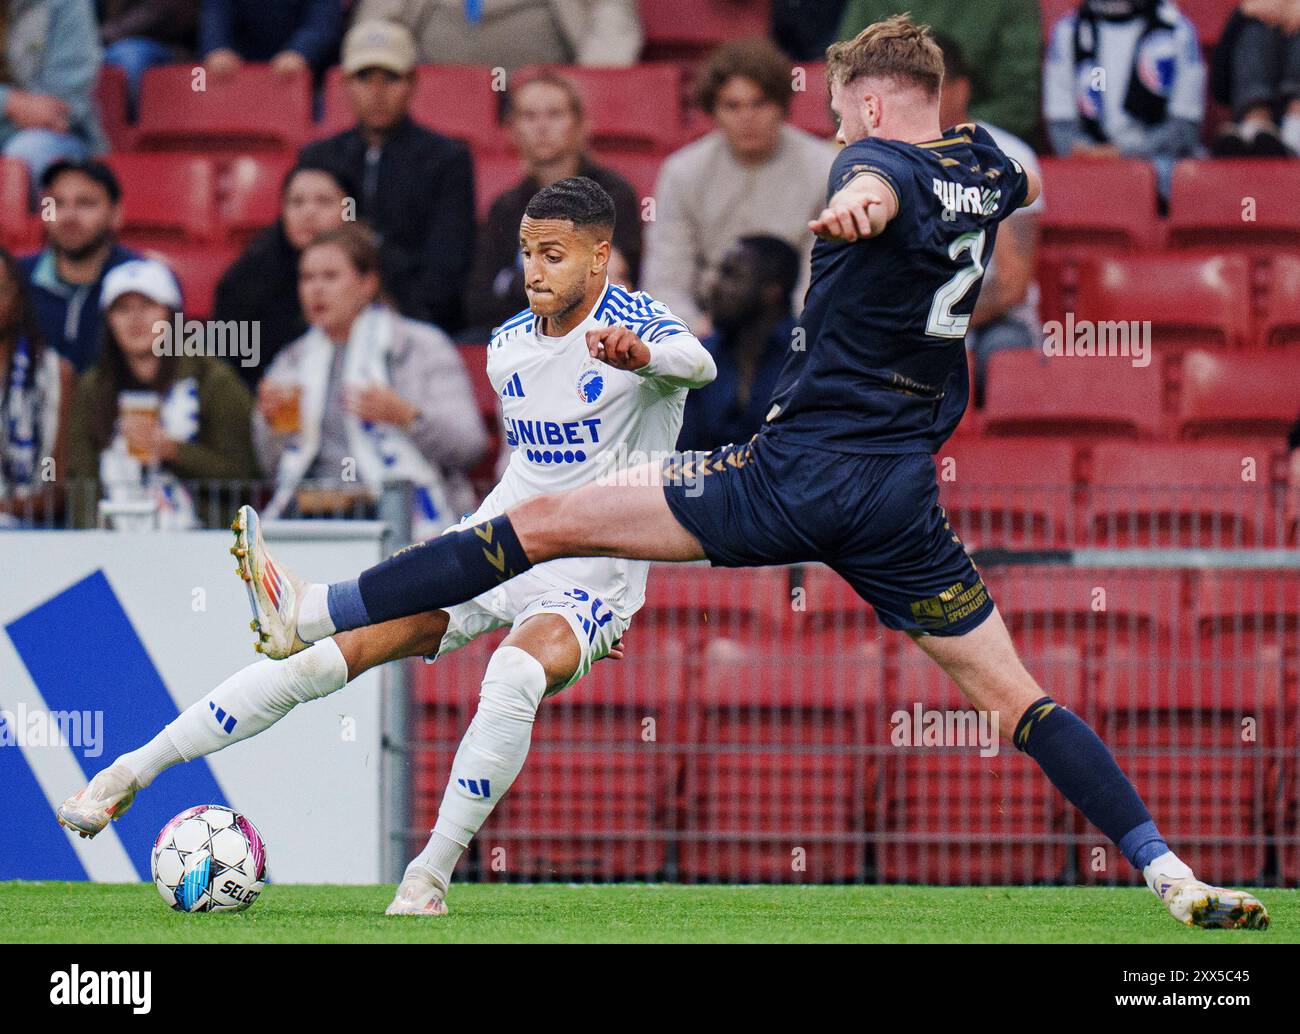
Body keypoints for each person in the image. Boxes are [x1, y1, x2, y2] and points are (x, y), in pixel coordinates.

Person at [214, 17, 1265, 930]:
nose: (837, 131)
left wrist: (856, 205)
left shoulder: (876, 171)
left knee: (539, 519)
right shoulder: (984, 168)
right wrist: (952, 160)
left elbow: (869, 185)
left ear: (865, 101)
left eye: (843, 111)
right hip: (901, 500)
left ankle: (313, 610)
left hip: (791, 473)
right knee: (1016, 700)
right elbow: (1026, 172)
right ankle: (1167, 873)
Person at [56, 178, 717, 917]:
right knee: (317, 662)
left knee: (511, 677)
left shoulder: (634, 320)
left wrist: (642, 358)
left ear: (599, 259)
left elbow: (700, 364)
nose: (534, 270)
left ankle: (427, 878)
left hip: (590, 575)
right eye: (527, 252)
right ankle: (124, 774)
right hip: (499, 543)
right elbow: (527, 468)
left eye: (553, 255)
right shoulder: (507, 349)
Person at [252, 224, 488, 539]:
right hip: (311, 516)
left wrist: (406, 416)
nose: (316, 289)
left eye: (330, 276)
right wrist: (271, 426)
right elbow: (272, 468)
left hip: (399, 515)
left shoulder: (420, 346)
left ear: (368, 284)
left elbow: (470, 445)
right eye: (307, 277)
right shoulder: (291, 360)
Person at [643, 37, 837, 336]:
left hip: (791, 329)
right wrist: (692, 332)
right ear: (714, 110)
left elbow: (819, 280)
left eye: (760, 103)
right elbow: (665, 278)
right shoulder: (683, 171)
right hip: (705, 328)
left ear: (781, 105)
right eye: (732, 106)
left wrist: (796, 338)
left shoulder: (822, 168)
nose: (747, 118)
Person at [298, 19, 475, 332]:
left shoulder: (447, 160)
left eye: (391, 78)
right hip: (326, 323)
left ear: (412, 83)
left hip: (418, 325)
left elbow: (445, 273)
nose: (377, 92)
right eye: (365, 78)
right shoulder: (317, 158)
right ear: (345, 84)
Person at [64, 258, 257, 528]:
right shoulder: (91, 387)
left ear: (171, 314)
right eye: (122, 309)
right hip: (112, 542)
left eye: (147, 306)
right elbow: (81, 480)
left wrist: (174, 452)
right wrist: (91, 540)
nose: (135, 319)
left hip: (204, 541)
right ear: (108, 320)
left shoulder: (214, 380)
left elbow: (245, 475)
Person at [464, 72, 642, 336]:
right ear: (512, 130)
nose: (542, 127)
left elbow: (606, 282)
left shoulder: (613, 195)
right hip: (525, 336)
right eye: (529, 116)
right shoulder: (505, 206)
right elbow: (478, 301)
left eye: (555, 115)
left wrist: (513, 283)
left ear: (581, 124)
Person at [934, 33, 1043, 404]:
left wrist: (932, 325)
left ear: (961, 89)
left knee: (1005, 352)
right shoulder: (888, 160)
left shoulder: (1008, 157)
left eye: (931, 88)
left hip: (993, 319)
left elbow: (1012, 287)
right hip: (915, 315)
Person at [1044, 0, 1206, 199]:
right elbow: (1060, 124)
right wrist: (1088, 152)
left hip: (1158, 164)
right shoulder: (1069, 31)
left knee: (1179, 178)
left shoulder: (1177, 29)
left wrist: (1122, 153)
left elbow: (1184, 127)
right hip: (1088, 164)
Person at [213, 163, 356, 389]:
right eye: (296, 202)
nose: (309, 213)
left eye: (324, 201)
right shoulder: (245, 279)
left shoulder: (379, 269)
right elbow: (227, 371)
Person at [837, 0, 1043, 142]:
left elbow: (1018, 103)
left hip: (976, 140)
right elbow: (845, 82)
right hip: (880, 140)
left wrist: (949, 130)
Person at [677, 236, 800, 453]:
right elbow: (682, 457)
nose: (714, 286)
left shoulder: (806, 357)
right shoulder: (702, 356)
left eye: (731, 275)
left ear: (772, 291)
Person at [18, 159, 138, 373]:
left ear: (116, 214)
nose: (69, 216)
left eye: (85, 203)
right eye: (56, 204)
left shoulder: (142, 282)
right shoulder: (14, 279)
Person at [0, 245, 74, 524]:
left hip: (29, 536)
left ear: (19, 298)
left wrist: (7, 508)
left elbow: (57, 489)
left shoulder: (55, 374)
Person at [0, 0, 108, 185]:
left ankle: (46, 214)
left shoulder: (66, 4)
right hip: (11, 123)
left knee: (28, 152)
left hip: (56, 137)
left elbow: (61, 106)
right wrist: (9, 102)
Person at [354, 0, 642, 68]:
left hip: (546, 92)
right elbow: (375, 26)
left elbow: (612, 21)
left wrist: (590, 87)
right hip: (428, 97)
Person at [1210, 0, 1300, 156]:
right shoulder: (1251, 23)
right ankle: (1256, 121)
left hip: (1291, 120)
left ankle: (1296, 122)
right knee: (1254, 29)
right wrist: (1241, 15)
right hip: (1261, 125)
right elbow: (1218, 87)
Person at [199, 0, 343, 81]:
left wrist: (300, 51)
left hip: (313, 77)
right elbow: (216, 15)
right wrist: (217, 48)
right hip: (242, 73)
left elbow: (323, 22)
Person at [100, 1, 201, 115]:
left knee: (128, 55)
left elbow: (161, 11)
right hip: (112, 41)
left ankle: (133, 125)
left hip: (171, 47)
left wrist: (98, 37)